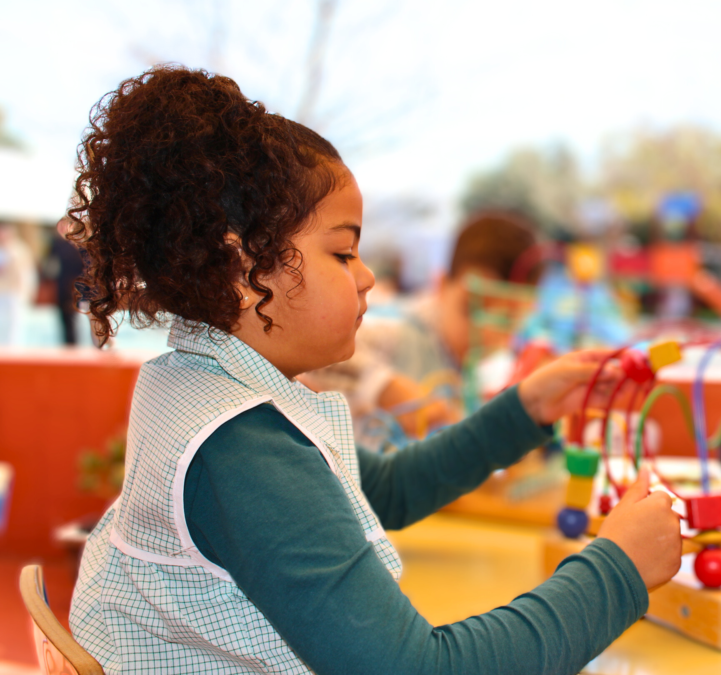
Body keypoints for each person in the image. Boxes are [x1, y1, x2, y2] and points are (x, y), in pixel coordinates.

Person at [67, 65, 682, 675]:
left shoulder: (196, 378)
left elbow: (381, 490)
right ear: (243, 268)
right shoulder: (242, 450)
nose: (367, 277)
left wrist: (524, 410)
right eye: (342, 251)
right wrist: (616, 571)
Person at [302, 210, 540, 432]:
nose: (486, 332)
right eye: (470, 309)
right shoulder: (397, 330)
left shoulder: (481, 369)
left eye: (506, 320)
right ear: (441, 285)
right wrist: (384, 388)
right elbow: (314, 347)